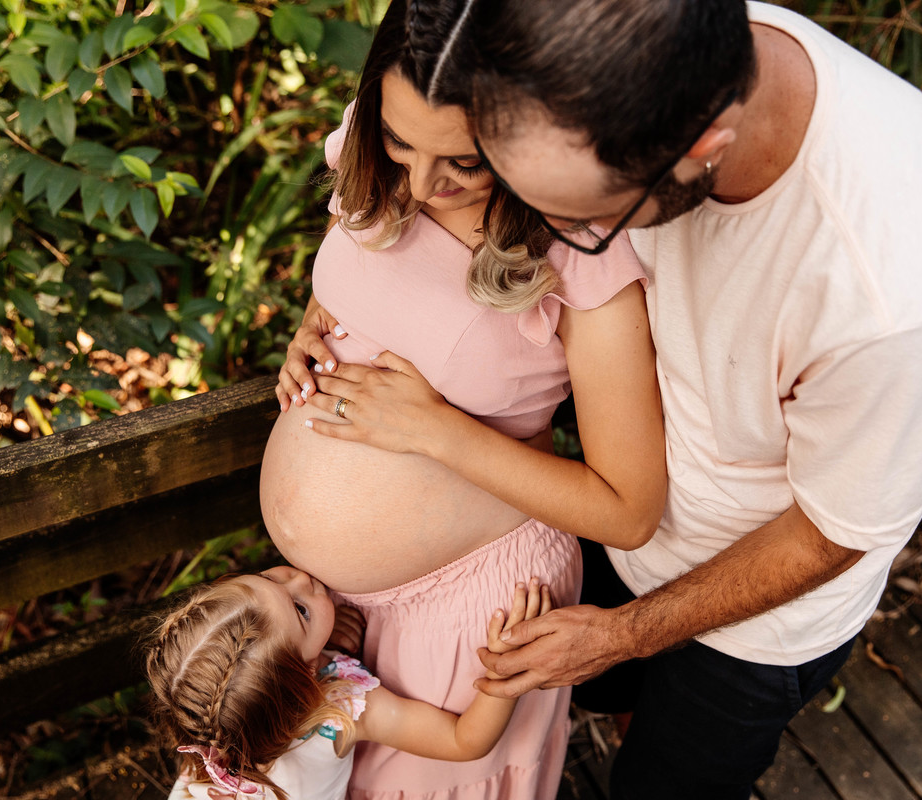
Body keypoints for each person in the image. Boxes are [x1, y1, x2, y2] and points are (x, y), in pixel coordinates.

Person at [365, 1, 922, 798]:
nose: (555, 240)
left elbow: (832, 534)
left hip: (754, 618)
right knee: (592, 699)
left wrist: (625, 636)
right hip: (623, 513)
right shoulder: (629, 33)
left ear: (703, 146)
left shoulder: (893, 301)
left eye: (579, 222)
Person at [256, 1, 666, 797]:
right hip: (322, 606)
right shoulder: (389, 136)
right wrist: (313, 327)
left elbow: (629, 510)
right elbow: (358, 264)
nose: (418, 183)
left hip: (466, 608)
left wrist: (437, 432)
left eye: (463, 165)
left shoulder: (583, 258)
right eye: (398, 142)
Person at [146, 566, 552, 799]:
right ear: (301, 675)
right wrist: (504, 667)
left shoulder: (213, 715)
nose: (301, 578)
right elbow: (465, 740)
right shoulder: (341, 709)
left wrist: (318, 633)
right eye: (302, 610)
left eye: (268, 577)